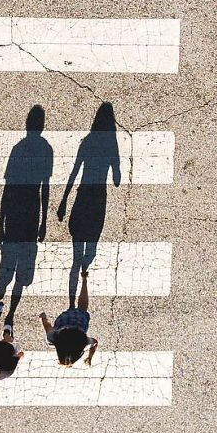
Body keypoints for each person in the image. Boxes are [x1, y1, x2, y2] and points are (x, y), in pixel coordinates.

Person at [0, 105, 52, 329]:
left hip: (14, 211)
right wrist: (44, 221)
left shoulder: (18, 148)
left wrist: (0, 224)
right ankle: (11, 314)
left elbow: (7, 188)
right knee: (23, 268)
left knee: (8, 260)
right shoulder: (46, 149)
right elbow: (44, 187)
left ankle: (1, 297)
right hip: (31, 212)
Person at [57, 102, 120, 305]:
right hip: (98, 201)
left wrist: (64, 200)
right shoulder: (111, 145)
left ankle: (71, 302)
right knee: (90, 249)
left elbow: (74, 171)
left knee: (76, 254)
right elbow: (117, 180)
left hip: (82, 198)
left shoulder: (87, 141)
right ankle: (85, 274)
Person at [39, 270, 98, 367]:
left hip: (79, 322)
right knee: (71, 311)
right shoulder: (53, 340)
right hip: (63, 320)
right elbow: (48, 327)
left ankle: (84, 281)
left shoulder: (84, 344)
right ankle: (71, 305)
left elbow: (95, 343)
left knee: (82, 307)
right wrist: (43, 318)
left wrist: (90, 357)